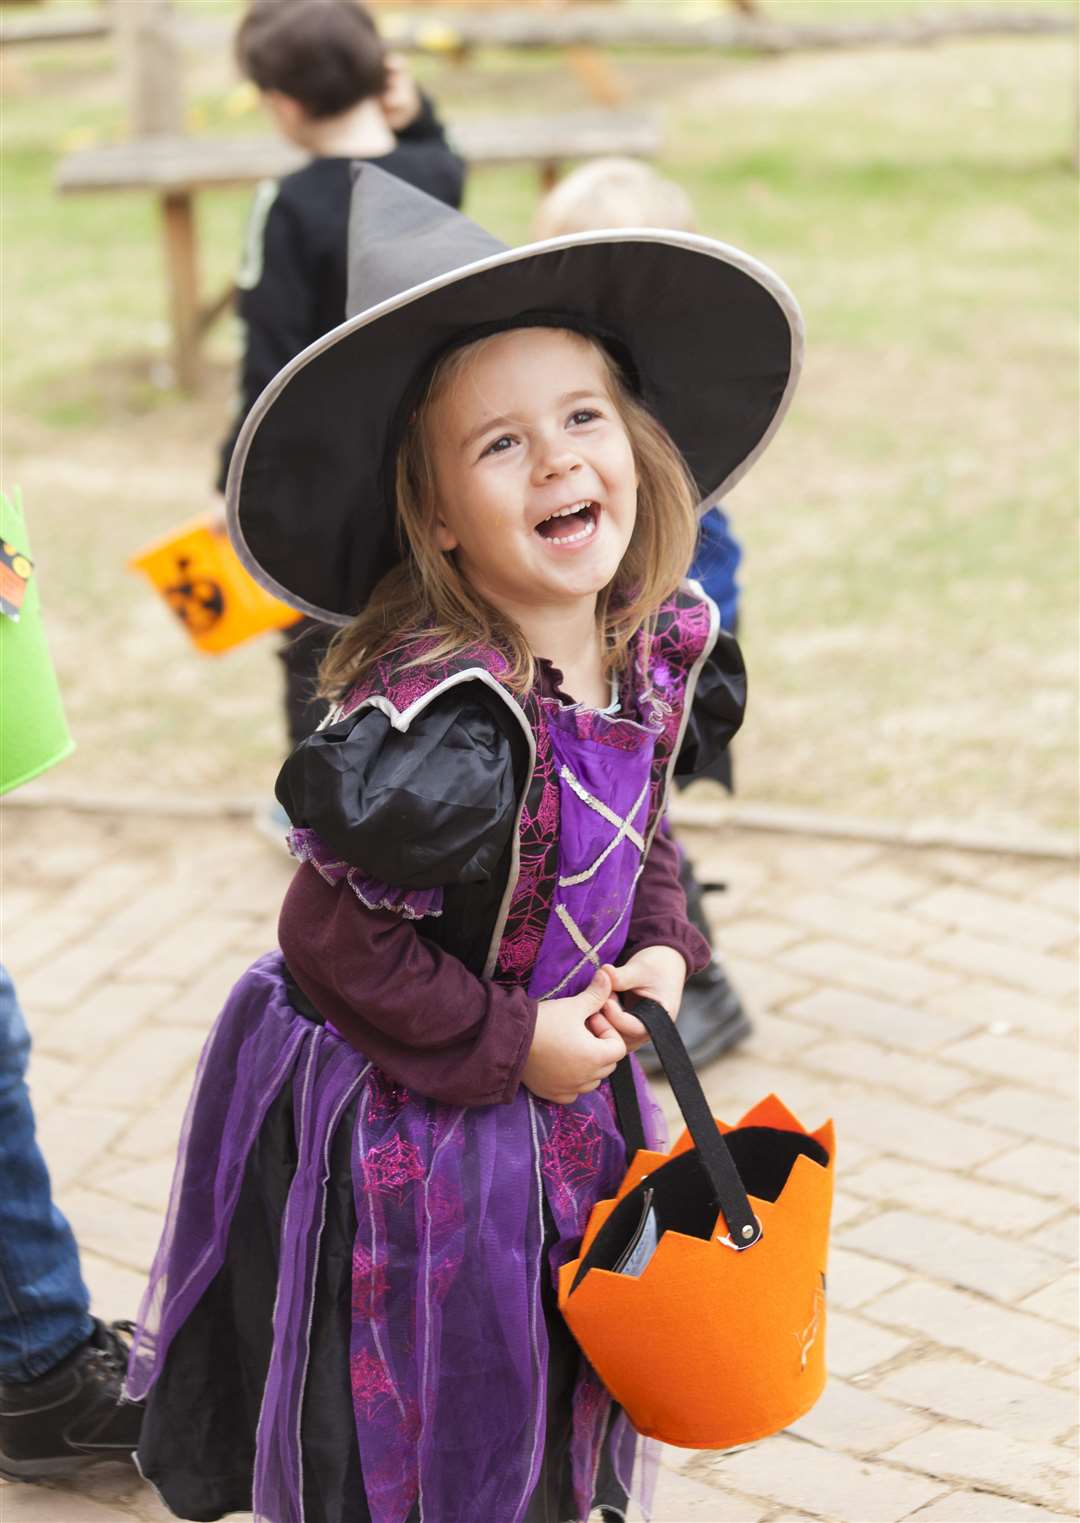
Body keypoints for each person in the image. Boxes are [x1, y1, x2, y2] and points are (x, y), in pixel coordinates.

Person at [126, 168, 802, 1523]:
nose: (556, 458)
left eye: (581, 417)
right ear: (437, 516)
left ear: (636, 445)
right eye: (499, 446)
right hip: (419, 1115)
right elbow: (325, 934)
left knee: (555, 1353)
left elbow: (641, 812)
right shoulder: (446, 721)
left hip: (565, 1089)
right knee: (423, 1390)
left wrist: (662, 940)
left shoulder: (646, 641)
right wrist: (512, 1043)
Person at [533, 157, 752, 1069]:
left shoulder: (652, 407)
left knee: (643, 821)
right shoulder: (575, 397)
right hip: (605, 654)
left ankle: (705, 992)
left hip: (660, 661)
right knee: (615, 822)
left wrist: (669, 663)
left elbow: (706, 566)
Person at [218, 0, 466, 794]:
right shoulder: (433, 174)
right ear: (379, 73)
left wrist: (234, 476)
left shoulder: (290, 205)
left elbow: (269, 355)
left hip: (321, 477)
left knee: (315, 642)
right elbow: (435, 143)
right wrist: (417, 107)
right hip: (428, 462)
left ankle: (320, 806)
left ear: (285, 104)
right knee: (431, 628)